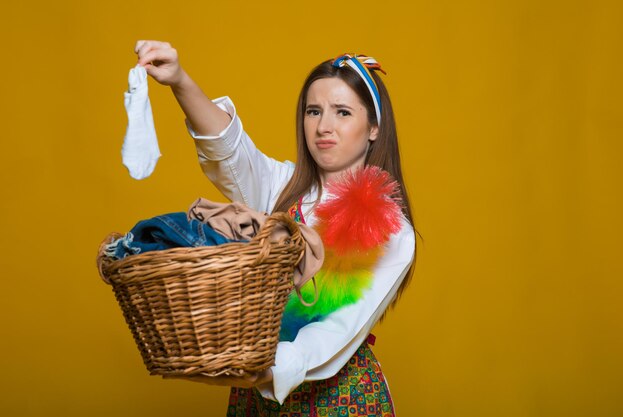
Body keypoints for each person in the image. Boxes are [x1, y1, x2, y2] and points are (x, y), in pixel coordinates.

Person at [134, 40, 417, 417]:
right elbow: (230, 153)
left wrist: (263, 369)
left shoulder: (392, 228)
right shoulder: (282, 188)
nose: (324, 126)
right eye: (313, 111)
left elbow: (337, 328)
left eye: (343, 112)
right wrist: (179, 81)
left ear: (373, 129)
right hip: (255, 391)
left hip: (339, 402)